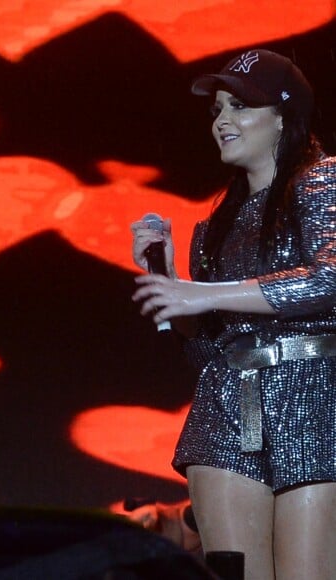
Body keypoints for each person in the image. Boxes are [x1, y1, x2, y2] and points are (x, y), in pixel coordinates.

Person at [131, 49, 336, 580]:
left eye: (239, 106)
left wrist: (203, 293)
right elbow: (204, 350)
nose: (222, 121)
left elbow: (329, 279)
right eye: (217, 109)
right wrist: (173, 290)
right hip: (225, 407)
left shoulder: (322, 183)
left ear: (284, 117)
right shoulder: (212, 229)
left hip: (314, 405)